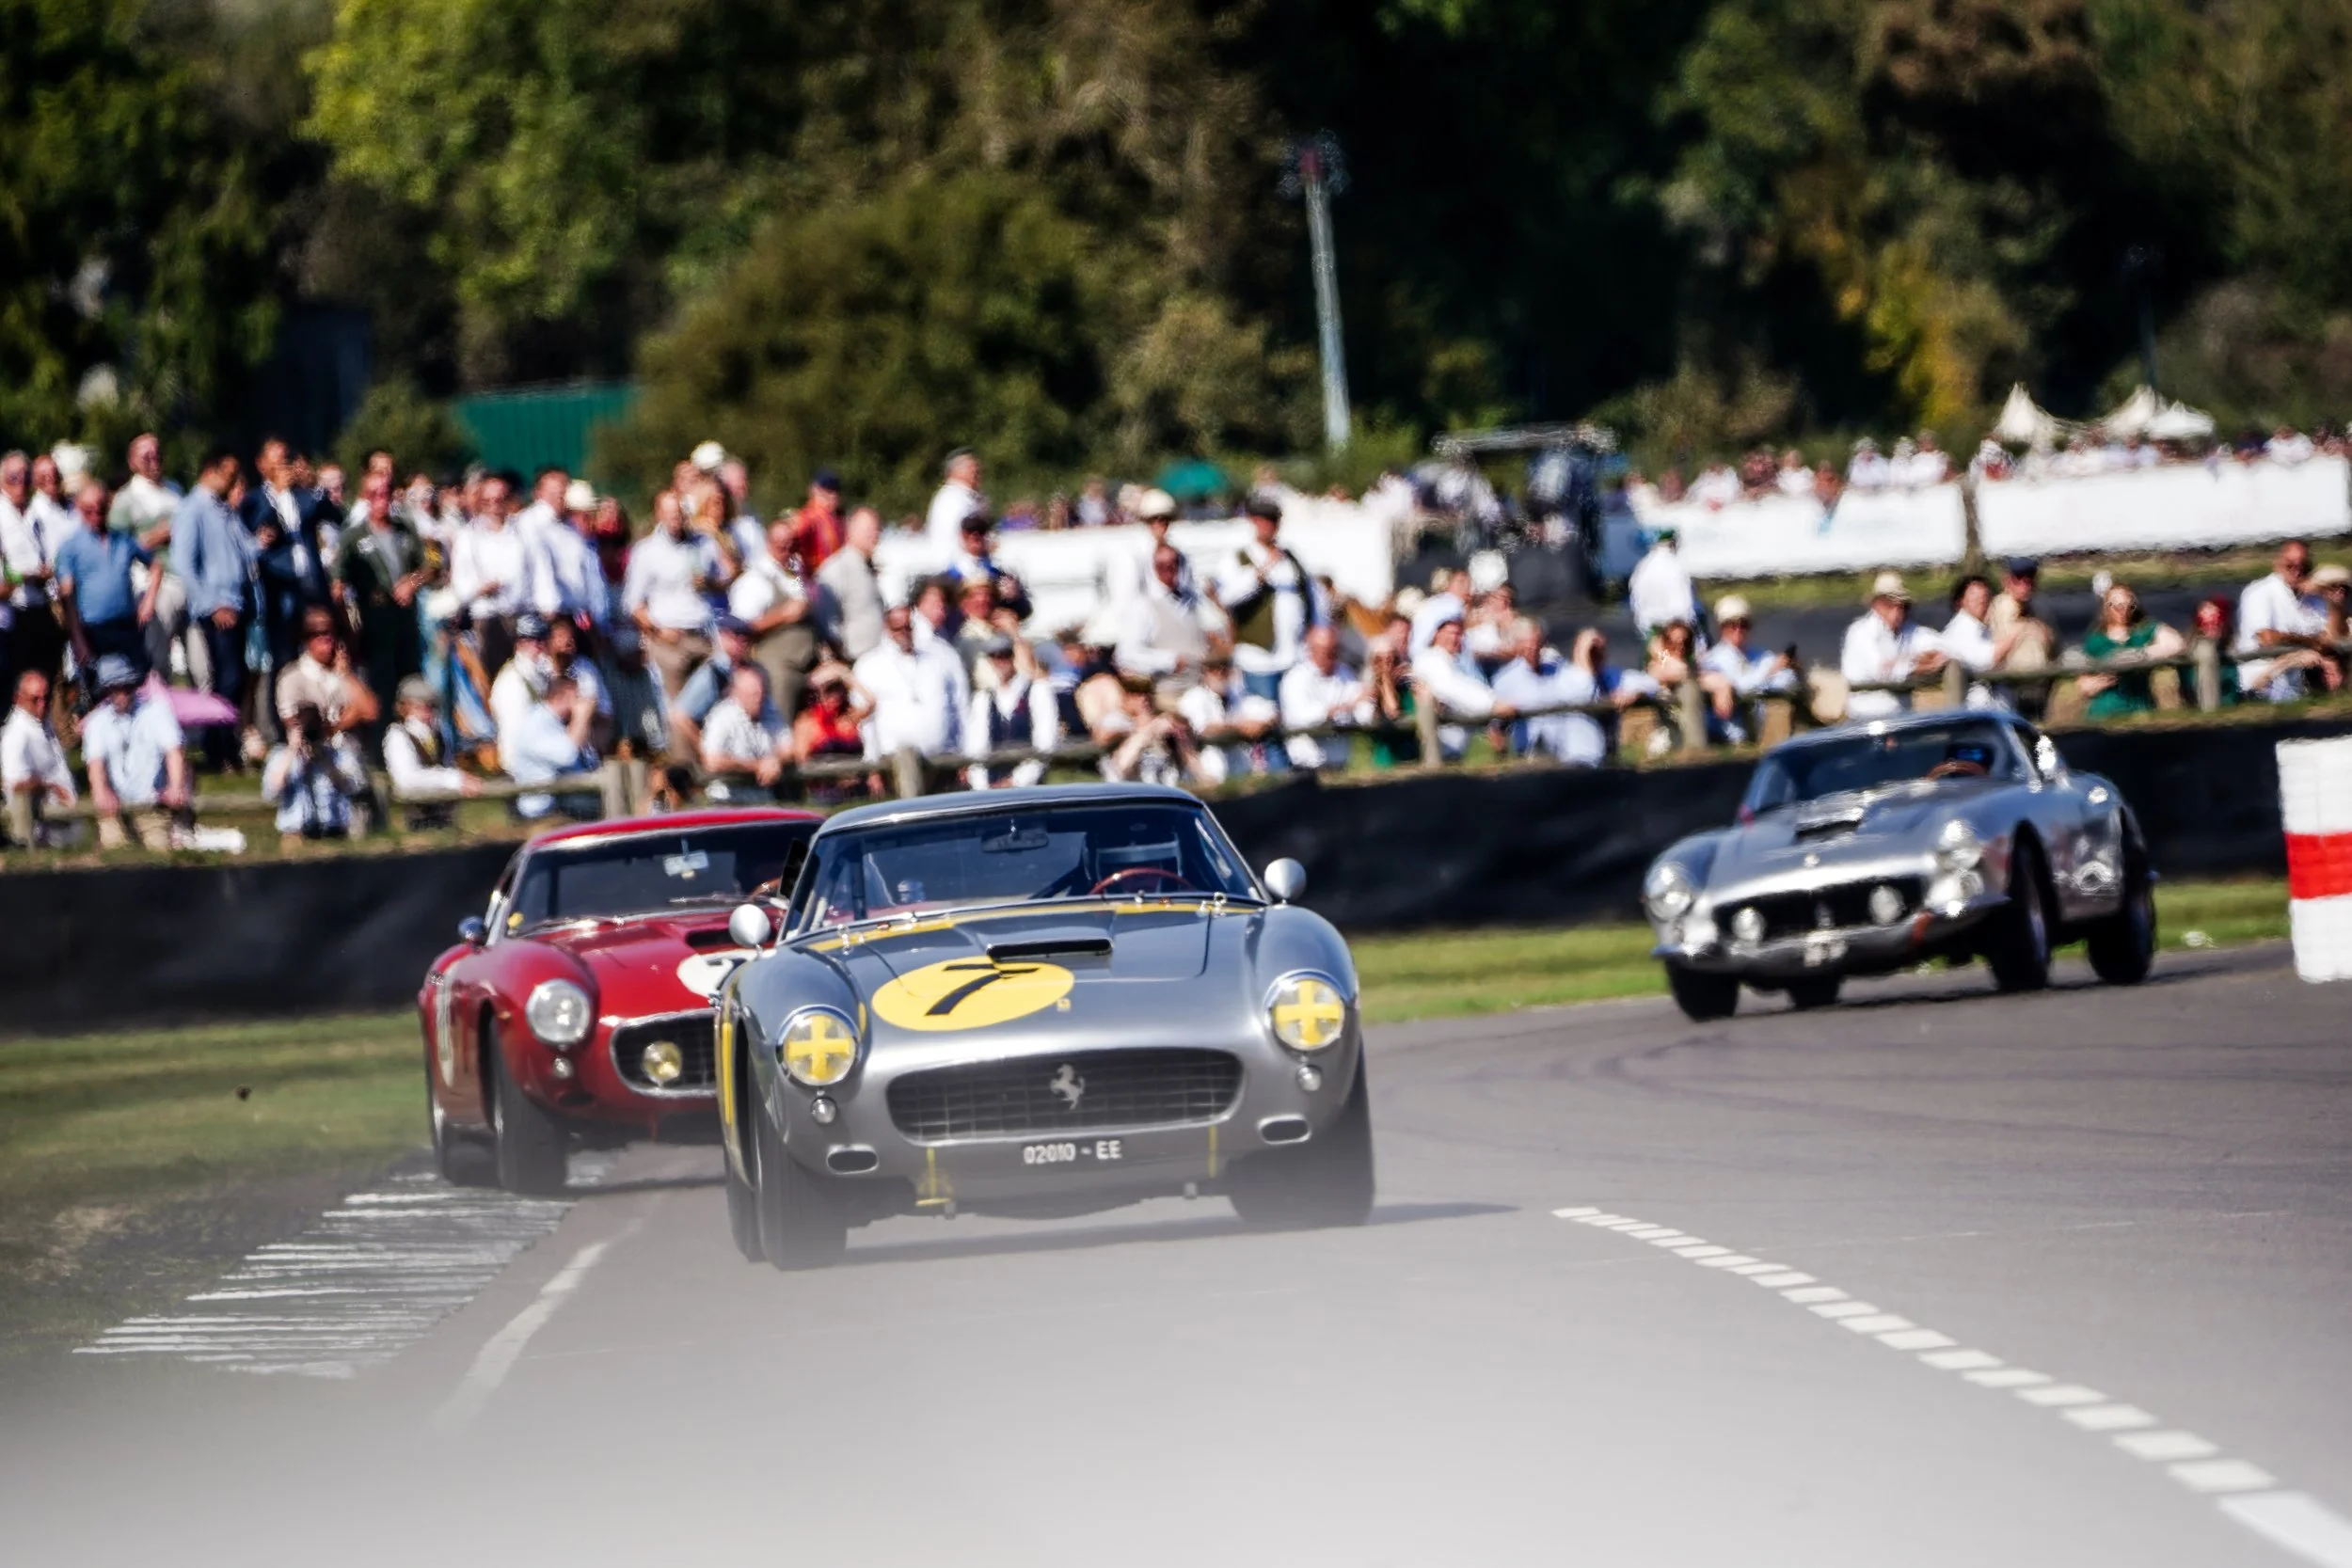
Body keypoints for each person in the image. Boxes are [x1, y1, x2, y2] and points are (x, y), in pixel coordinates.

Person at [169, 447, 253, 769]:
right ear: (210, 471)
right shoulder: (192, 508)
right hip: (217, 607)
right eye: (228, 474)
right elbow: (183, 563)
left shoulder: (224, 509)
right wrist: (211, 604)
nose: (232, 481)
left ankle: (227, 745)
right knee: (226, 679)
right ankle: (218, 748)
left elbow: (242, 551)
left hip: (237, 601)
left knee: (236, 678)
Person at [333, 471, 429, 730]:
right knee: (382, 686)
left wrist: (412, 581)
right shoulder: (353, 537)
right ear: (365, 497)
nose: (381, 500)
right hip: (374, 619)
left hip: (406, 618)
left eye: (385, 493)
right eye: (374, 494)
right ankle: (382, 741)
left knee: (411, 682)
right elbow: (338, 581)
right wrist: (345, 625)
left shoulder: (404, 529)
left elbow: (428, 567)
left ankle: (415, 736)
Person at [1216, 496, 1319, 701]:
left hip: (1294, 655)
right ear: (1253, 521)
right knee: (1263, 711)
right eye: (1264, 520)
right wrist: (1261, 573)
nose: (1270, 526)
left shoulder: (1290, 557)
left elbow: (1310, 595)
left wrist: (1314, 629)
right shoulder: (1237, 558)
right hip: (1259, 659)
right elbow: (1228, 597)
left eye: (1274, 520)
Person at [81, 653, 189, 849]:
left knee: (159, 852)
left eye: (126, 686)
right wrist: (101, 792)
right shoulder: (96, 722)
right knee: (114, 850)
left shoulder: (157, 711)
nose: (121, 693)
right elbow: (95, 763)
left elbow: (174, 751)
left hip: (152, 804)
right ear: (106, 690)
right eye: (115, 688)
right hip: (114, 809)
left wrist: (175, 786)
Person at [56, 478, 160, 677]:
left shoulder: (123, 539)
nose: (96, 514)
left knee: (138, 680)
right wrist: (77, 638)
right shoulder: (70, 547)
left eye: (101, 508)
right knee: (101, 686)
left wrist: (148, 601)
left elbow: (155, 564)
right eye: (89, 510)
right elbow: (67, 596)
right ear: (79, 508)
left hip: (126, 624)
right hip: (93, 629)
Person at [623, 488, 723, 696]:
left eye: (678, 513)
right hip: (669, 642)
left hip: (702, 636)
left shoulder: (703, 544)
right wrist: (659, 631)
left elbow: (723, 581)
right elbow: (633, 604)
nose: (675, 518)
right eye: (669, 513)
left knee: (712, 701)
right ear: (658, 515)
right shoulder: (646, 551)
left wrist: (709, 582)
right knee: (676, 707)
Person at [856, 603, 967, 765]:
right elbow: (865, 720)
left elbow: (958, 707)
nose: (904, 633)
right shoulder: (869, 666)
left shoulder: (938, 659)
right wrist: (872, 761)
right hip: (893, 760)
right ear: (887, 628)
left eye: (908, 627)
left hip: (941, 757)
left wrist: (961, 752)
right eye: (897, 628)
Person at [1117, 543, 1226, 703]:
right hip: (1168, 692)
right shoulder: (1144, 606)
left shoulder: (1191, 600)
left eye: (1173, 563)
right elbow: (1126, 654)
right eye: (1161, 565)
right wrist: (1169, 661)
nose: (1168, 569)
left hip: (1200, 687)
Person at [2235, 539, 2344, 700]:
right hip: (2263, 682)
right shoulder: (2260, 592)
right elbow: (2267, 638)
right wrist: (2311, 643)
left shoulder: (2313, 598)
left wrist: (2333, 602)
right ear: (2277, 565)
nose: (2297, 571)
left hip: (2301, 682)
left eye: (2303, 566)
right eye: (2290, 565)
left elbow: (2331, 638)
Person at [1, 450, 72, 690]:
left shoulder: (34, 513)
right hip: (13, 611)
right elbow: (5, 572)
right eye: (13, 477)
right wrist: (25, 575)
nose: (21, 483)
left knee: (50, 674)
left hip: (41, 603)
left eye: (25, 476)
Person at [1491, 617, 1605, 766]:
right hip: (1529, 754)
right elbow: (1497, 725)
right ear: (1517, 645)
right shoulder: (1505, 679)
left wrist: (1584, 653)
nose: (1533, 647)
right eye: (1527, 642)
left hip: (1563, 753)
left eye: (1536, 642)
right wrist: (1501, 758)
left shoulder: (1558, 669)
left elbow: (1584, 689)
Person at [1841, 571, 1946, 720]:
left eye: (1902, 605)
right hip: (1865, 720)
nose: (1897, 610)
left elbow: (1940, 647)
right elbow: (1884, 672)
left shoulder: (1909, 629)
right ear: (1876, 604)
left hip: (1901, 719)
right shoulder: (1860, 632)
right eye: (1889, 603)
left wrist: (1909, 661)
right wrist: (1919, 664)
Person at [1411, 610, 1516, 758]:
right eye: (1450, 633)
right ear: (1436, 635)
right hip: (1441, 748)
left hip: (1457, 749)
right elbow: (1450, 688)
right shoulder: (1430, 660)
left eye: (1459, 634)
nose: (1455, 638)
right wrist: (1491, 705)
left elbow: (1467, 687)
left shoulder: (1455, 663)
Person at [262, 702, 371, 844]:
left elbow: (353, 788)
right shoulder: (280, 756)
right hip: (295, 833)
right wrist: (292, 750)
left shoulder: (339, 755)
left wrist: (325, 759)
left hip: (334, 830)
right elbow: (271, 792)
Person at [963, 635, 1060, 788]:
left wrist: (1017, 781)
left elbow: (1045, 744)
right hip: (990, 786)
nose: (1000, 661)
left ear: (1013, 656)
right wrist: (982, 786)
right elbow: (976, 748)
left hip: (1030, 787)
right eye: (994, 656)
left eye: (1004, 655)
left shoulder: (1038, 691)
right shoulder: (983, 699)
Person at [383, 676, 482, 826]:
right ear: (404, 708)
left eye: (431, 707)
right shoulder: (397, 735)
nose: (426, 713)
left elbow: (447, 763)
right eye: (419, 708)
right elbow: (407, 779)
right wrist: (452, 779)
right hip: (417, 814)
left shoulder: (439, 733)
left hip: (444, 812)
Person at [2077, 583, 2184, 720]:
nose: (2124, 611)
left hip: (2140, 706)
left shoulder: (2143, 631)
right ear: (2107, 607)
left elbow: (2177, 643)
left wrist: (2141, 654)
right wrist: (2103, 680)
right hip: (2106, 710)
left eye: (2130, 606)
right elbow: (2084, 685)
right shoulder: (2096, 640)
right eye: (2118, 606)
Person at [502, 673, 601, 818]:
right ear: (560, 697)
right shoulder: (535, 724)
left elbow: (588, 761)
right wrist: (581, 717)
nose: (579, 703)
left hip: (565, 798)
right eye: (576, 697)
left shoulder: (556, 722)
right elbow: (568, 756)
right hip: (542, 807)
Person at [275, 608, 380, 739]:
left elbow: (371, 711)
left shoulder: (345, 672)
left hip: (349, 747)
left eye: (331, 632)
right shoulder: (291, 677)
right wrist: (348, 717)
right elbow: (295, 724)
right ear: (306, 639)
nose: (327, 638)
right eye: (318, 633)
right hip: (311, 748)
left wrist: (345, 674)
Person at [1279, 625, 1370, 770]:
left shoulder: (1345, 673)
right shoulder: (1295, 678)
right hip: (1306, 764)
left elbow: (1362, 708)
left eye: (1336, 650)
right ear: (1311, 650)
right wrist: (1340, 709)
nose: (1333, 656)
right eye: (1327, 651)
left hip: (1340, 764)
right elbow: (1303, 717)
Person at [2, 671, 76, 847]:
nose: (42, 705)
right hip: (40, 820)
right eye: (35, 699)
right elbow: (16, 784)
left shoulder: (42, 723)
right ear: (18, 699)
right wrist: (51, 786)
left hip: (64, 813)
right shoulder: (15, 735)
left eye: (46, 698)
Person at [668, 615, 759, 758]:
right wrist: (706, 750)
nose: (741, 643)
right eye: (735, 638)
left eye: (745, 639)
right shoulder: (713, 673)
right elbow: (680, 716)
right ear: (723, 638)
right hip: (722, 752)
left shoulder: (751, 670)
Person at [699, 662, 793, 800]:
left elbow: (789, 748)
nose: (758, 699)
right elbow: (712, 761)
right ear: (737, 693)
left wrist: (775, 760)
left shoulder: (769, 709)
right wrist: (756, 766)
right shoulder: (721, 717)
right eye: (752, 694)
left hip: (762, 799)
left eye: (761, 693)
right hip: (726, 800)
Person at [791, 661, 875, 802]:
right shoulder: (807, 722)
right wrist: (835, 777)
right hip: (826, 794)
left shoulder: (849, 717)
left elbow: (871, 702)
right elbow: (802, 761)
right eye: (829, 690)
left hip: (857, 789)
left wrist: (845, 675)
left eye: (838, 689)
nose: (835, 696)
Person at [817, 504, 886, 661]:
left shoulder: (869, 567)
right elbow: (827, 622)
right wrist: (842, 660)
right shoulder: (837, 568)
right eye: (869, 530)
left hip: (877, 659)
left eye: (877, 529)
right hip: (853, 659)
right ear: (851, 530)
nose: (875, 535)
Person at [1104, 488, 1188, 605]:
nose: (1160, 524)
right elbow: (1126, 598)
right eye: (1154, 519)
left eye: (1165, 519)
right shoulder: (1132, 556)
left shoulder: (1178, 554)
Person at [1627, 527, 1699, 638]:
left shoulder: (1642, 567)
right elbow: (1683, 603)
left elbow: (1635, 600)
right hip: (1673, 628)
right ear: (1672, 543)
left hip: (1649, 628)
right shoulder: (1674, 566)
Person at [925, 449, 985, 560]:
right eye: (970, 468)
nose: (976, 472)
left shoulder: (966, 497)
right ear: (955, 471)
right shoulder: (951, 499)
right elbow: (956, 537)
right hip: (955, 564)